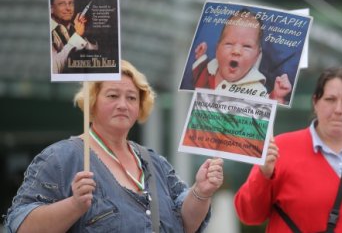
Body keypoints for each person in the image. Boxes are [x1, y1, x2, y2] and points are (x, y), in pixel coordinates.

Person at [4, 60, 224, 233]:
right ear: (92, 101)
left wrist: (201, 192)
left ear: (140, 107)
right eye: (112, 95)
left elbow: (186, 225)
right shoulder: (61, 158)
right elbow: (20, 225)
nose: (122, 105)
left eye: (131, 98)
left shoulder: (154, 162)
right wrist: (74, 205)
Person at [234, 67, 342, 232]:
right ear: (315, 102)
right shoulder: (279, 149)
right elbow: (248, 215)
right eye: (330, 99)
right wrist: (263, 175)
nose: (338, 109)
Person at [192, 9, 292, 104]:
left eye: (247, 46)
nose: (236, 51)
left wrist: (276, 96)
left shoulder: (255, 87)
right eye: (229, 44)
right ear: (217, 49)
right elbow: (199, 70)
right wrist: (200, 56)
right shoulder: (208, 69)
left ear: (257, 56)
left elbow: (264, 108)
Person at [50, 0, 98, 74]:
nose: (68, 8)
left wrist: (82, 34)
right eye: (62, 4)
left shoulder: (75, 27)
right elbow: (55, 68)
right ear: (51, 9)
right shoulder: (48, 32)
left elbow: (94, 50)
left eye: (71, 3)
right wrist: (78, 36)